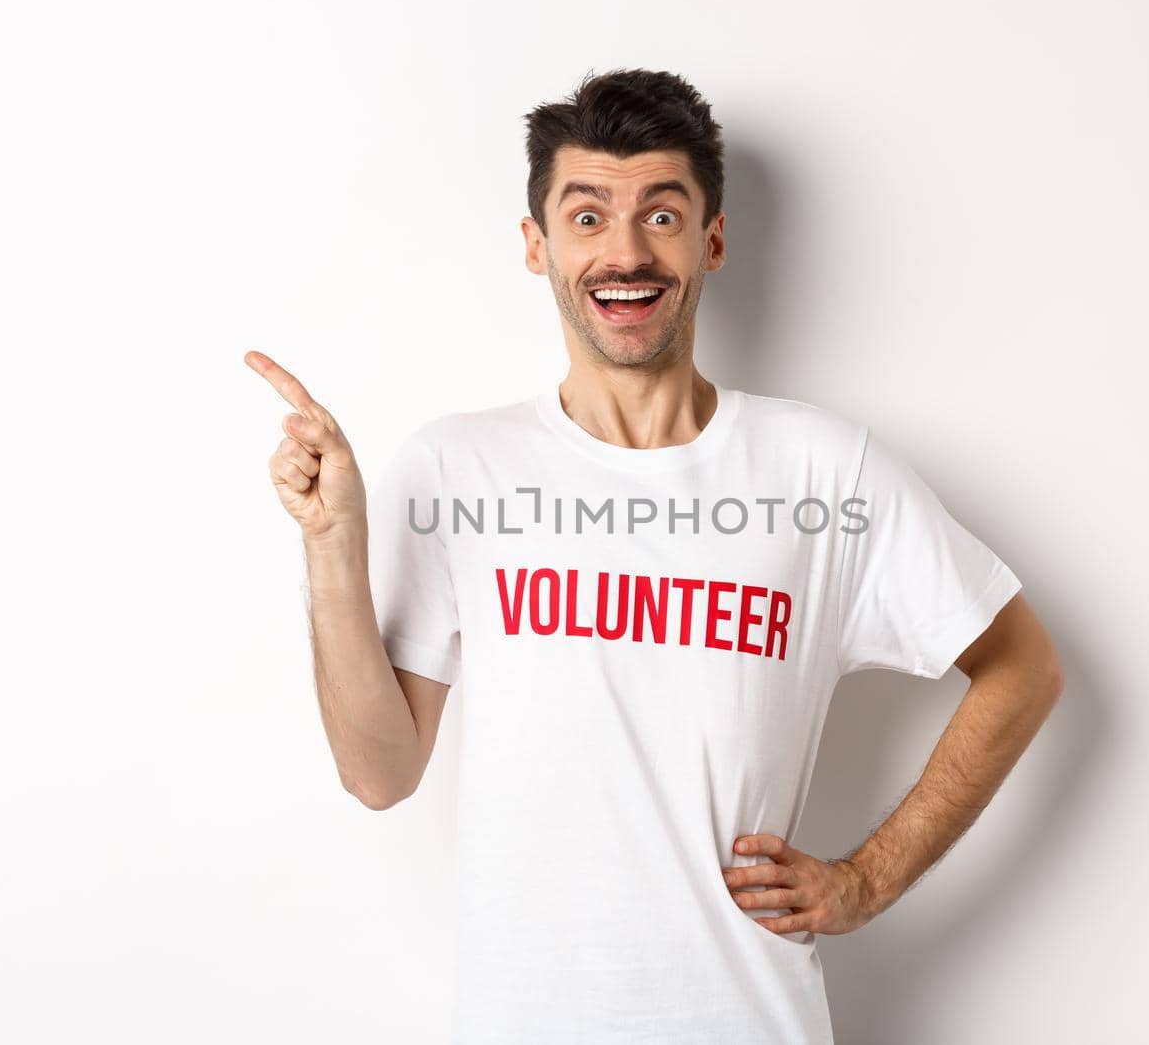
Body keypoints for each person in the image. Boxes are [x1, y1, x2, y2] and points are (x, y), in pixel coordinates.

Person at [245, 67, 1063, 1044]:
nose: (624, 251)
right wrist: (333, 548)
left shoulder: (821, 468)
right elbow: (379, 773)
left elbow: (1021, 667)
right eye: (586, 216)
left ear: (712, 240)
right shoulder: (457, 465)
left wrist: (867, 877)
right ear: (535, 245)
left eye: (661, 215)